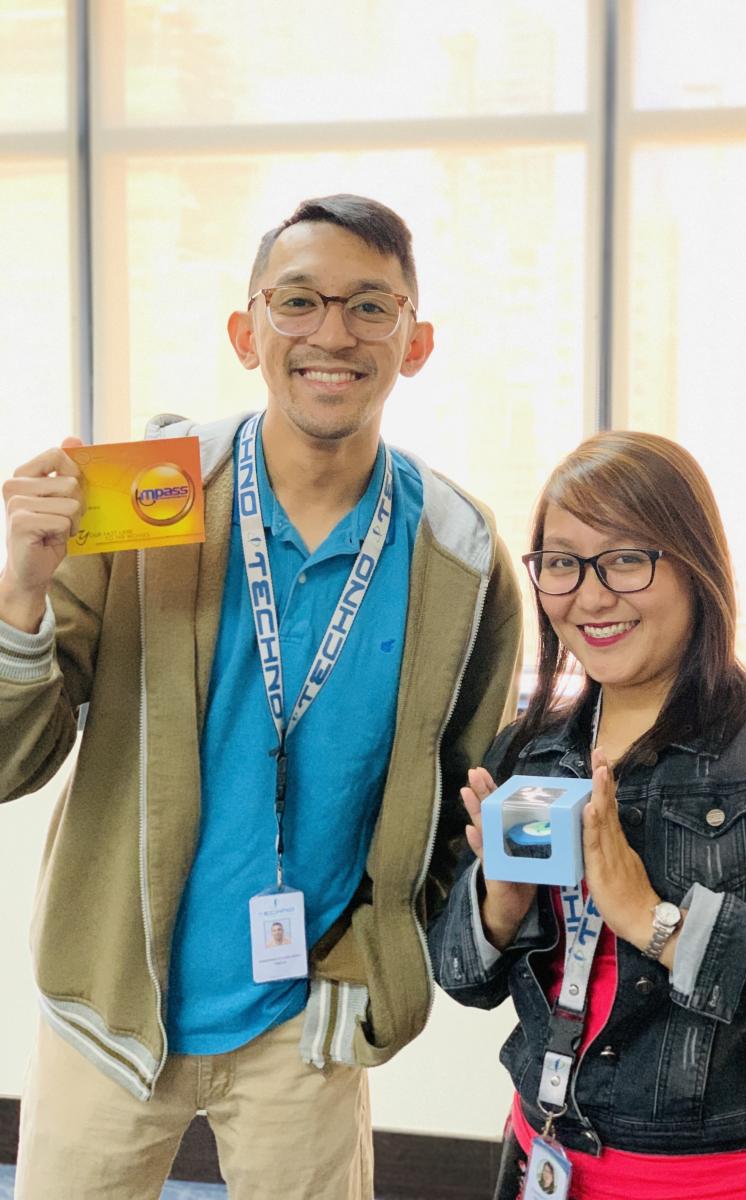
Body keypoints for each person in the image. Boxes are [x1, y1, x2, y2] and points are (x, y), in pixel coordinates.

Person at [0, 194, 522, 1199]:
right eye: (298, 301)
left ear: (415, 343)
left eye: (371, 306)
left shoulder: (456, 552)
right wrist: (20, 587)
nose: (333, 333)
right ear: (248, 333)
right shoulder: (143, 497)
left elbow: (464, 796)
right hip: (111, 1001)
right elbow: (10, 762)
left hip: (307, 1021)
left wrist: (386, 960)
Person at [429, 431, 746, 1200]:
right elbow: (464, 980)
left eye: (624, 559)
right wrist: (498, 908)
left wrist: (659, 924)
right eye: (562, 563)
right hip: (543, 1164)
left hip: (738, 1183)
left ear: (694, 566)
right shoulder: (532, 751)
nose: (590, 596)